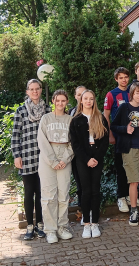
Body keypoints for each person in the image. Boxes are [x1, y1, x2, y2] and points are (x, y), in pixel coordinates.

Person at [111, 82, 139, 226]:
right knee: (133, 181)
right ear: (132, 94)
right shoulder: (124, 107)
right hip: (129, 149)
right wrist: (126, 129)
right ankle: (134, 211)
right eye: (137, 93)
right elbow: (113, 126)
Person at [11, 79, 51, 240]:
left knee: (41, 192)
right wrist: (16, 156)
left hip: (43, 157)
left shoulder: (48, 110)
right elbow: (15, 136)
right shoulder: (21, 111)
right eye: (31, 89)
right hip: (27, 157)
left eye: (37, 89)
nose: (35, 91)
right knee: (28, 193)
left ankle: (40, 224)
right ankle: (29, 226)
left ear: (41, 90)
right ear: (27, 92)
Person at [70, 89, 109, 238]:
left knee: (95, 191)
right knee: (85, 191)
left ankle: (95, 223)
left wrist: (97, 158)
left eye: (91, 99)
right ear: (81, 101)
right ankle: (86, 223)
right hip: (83, 160)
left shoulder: (100, 118)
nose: (88, 101)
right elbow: (76, 144)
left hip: (97, 159)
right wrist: (87, 159)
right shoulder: (76, 120)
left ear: (94, 101)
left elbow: (105, 142)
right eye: (85, 98)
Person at [37, 90, 74, 244]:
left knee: (63, 194)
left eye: (63, 101)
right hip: (48, 158)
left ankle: (62, 227)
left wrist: (65, 159)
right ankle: (50, 229)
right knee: (48, 195)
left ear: (66, 102)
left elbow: (74, 142)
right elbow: (42, 141)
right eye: (57, 100)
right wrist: (53, 161)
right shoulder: (46, 119)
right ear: (53, 101)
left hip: (64, 155)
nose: (60, 103)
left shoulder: (70, 120)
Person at [104, 67, 131, 213]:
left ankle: (130, 195)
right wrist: (110, 134)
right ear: (116, 79)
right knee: (120, 167)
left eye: (126, 77)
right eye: (121, 77)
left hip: (133, 136)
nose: (124, 80)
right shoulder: (111, 94)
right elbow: (106, 115)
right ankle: (121, 197)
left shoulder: (132, 92)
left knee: (132, 166)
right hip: (119, 136)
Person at [68, 86, 86, 210]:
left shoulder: (93, 113)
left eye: (83, 94)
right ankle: (82, 208)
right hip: (73, 153)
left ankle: (90, 209)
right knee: (79, 182)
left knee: (88, 183)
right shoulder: (70, 112)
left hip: (87, 153)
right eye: (78, 95)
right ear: (75, 96)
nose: (80, 97)